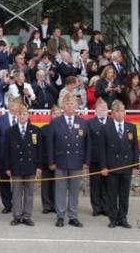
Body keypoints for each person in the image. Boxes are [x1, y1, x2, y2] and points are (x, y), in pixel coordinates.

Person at [47, 94, 90, 228]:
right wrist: (51, 161)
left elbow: (87, 143)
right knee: (60, 190)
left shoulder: (83, 122)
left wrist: (86, 161)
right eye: (67, 104)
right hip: (60, 161)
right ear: (63, 106)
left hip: (77, 161)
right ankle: (60, 216)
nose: (70, 106)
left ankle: (73, 216)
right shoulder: (55, 122)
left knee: (74, 190)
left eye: (72, 104)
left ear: (76, 107)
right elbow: (50, 144)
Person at [100, 100, 139, 229]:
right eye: (117, 111)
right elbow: (103, 150)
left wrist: (135, 166)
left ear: (125, 112)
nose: (119, 113)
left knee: (124, 194)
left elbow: (135, 148)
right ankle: (113, 218)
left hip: (126, 166)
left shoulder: (131, 127)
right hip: (112, 167)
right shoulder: (106, 128)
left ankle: (123, 217)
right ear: (112, 113)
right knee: (112, 194)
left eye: (122, 111)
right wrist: (104, 166)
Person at [5, 104, 42, 226]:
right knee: (16, 192)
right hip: (16, 166)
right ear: (17, 116)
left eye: (24, 114)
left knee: (29, 192)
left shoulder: (35, 130)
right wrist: (7, 167)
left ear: (28, 115)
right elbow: (7, 151)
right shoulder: (10, 131)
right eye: (20, 114)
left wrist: (39, 167)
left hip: (30, 166)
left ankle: (27, 216)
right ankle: (16, 215)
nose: (22, 116)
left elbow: (39, 150)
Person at [88, 98, 109, 217]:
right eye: (101, 107)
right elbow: (88, 143)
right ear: (96, 110)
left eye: (105, 107)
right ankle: (96, 208)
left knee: (106, 185)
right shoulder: (90, 123)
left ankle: (105, 207)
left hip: (108, 160)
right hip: (95, 159)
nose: (104, 109)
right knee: (95, 185)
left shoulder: (111, 122)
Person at [40, 105, 61, 214]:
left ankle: (56, 205)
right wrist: (48, 161)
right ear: (50, 115)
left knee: (57, 185)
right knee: (46, 185)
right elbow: (42, 147)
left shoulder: (63, 129)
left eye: (58, 114)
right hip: (46, 161)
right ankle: (47, 206)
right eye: (54, 114)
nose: (56, 116)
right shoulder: (44, 129)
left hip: (59, 162)